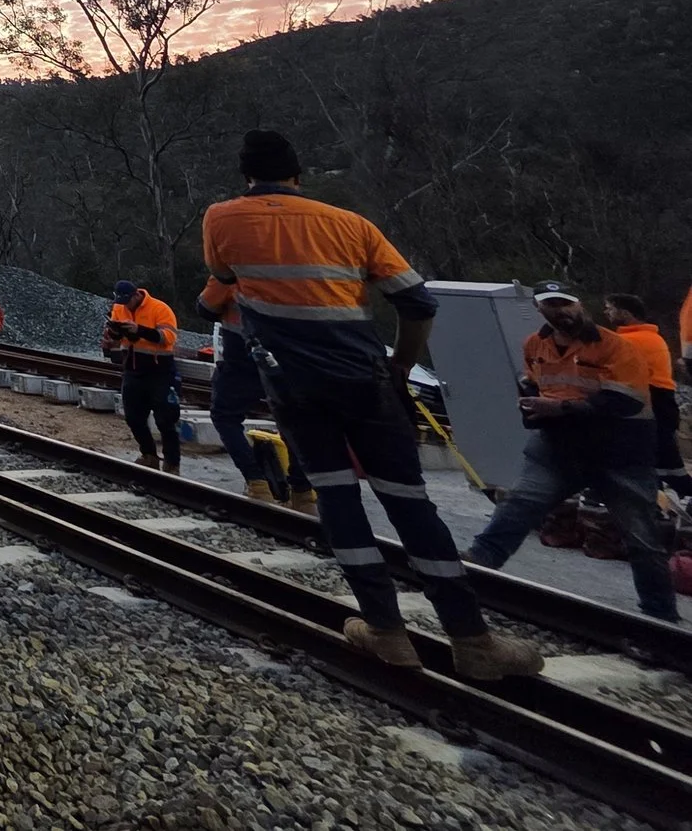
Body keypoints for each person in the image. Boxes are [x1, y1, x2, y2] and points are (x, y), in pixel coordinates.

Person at [201, 129, 541, 679]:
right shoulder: (350, 224)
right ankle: (472, 640)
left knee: (337, 498)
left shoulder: (221, 218)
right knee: (409, 500)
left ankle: (385, 630)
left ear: (246, 175)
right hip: (364, 378)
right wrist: (402, 364)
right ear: (298, 173)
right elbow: (416, 300)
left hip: (294, 386)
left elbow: (219, 287)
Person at [464, 285, 682, 622]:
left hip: (621, 452)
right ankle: (472, 573)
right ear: (540, 310)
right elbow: (533, 381)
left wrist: (560, 409)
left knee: (642, 537)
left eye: (566, 304)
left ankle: (660, 616)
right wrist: (533, 404)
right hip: (559, 448)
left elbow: (625, 401)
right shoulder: (536, 345)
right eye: (552, 305)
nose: (562, 311)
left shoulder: (616, 346)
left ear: (580, 305)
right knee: (518, 506)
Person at [199, 275, 314, 510]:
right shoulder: (291, 264)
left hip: (243, 355)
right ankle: (302, 491)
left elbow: (206, 307)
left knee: (224, 415)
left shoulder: (233, 267)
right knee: (293, 419)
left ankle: (258, 483)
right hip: (288, 354)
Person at [605, 292, 688, 491]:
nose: (606, 312)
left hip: (649, 401)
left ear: (624, 313)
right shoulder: (650, 337)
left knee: (660, 459)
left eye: (610, 308)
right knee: (662, 458)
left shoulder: (629, 341)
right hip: (659, 401)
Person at [106, 280, 183, 472]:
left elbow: (168, 337)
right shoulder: (119, 308)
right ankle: (148, 455)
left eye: (127, 301)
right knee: (133, 417)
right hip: (132, 369)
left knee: (165, 419)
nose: (125, 305)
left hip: (160, 372)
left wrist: (139, 330)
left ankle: (172, 462)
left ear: (136, 295)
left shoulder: (159, 308)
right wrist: (114, 332)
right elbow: (117, 338)